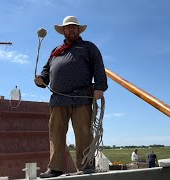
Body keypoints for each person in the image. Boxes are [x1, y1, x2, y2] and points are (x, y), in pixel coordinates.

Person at [34, 15, 108, 178]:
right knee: (56, 134)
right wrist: (41, 80)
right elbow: (46, 71)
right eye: (68, 27)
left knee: (83, 132)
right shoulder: (55, 52)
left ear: (78, 30)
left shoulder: (88, 47)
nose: (71, 29)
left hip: (82, 96)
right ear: (64, 31)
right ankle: (55, 168)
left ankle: (87, 165)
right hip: (58, 99)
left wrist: (100, 87)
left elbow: (98, 66)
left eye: (74, 27)